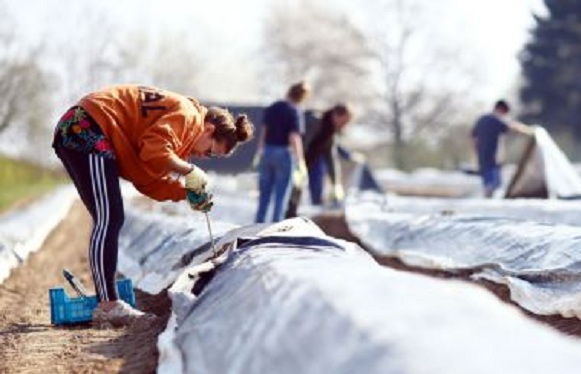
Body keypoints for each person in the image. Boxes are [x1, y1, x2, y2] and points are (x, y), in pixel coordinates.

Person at [51, 84, 254, 326]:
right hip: (88, 127)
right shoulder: (187, 115)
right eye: (209, 151)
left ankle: (108, 302)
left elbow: (148, 180)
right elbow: (154, 152)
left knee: (109, 217)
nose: (202, 157)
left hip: (85, 129)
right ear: (209, 129)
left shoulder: (185, 133)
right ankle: (108, 305)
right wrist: (190, 170)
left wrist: (186, 193)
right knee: (110, 218)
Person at [286, 102, 358, 217]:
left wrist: (336, 183)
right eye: (344, 121)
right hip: (294, 161)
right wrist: (298, 163)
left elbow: (330, 157)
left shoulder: (330, 132)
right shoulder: (315, 121)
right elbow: (301, 142)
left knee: (296, 194)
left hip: (305, 164)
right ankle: (279, 219)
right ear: (336, 115)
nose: (344, 125)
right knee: (289, 193)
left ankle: (289, 216)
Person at [253, 81, 310, 222]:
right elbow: (294, 137)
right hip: (284, 154)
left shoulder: (272, 108)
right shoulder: (295, 111)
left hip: (267, 151)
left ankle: (257, 225)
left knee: (264, 195)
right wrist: (301, 161)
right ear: (302, 97)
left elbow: (264, 132)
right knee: (281, 195)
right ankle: (275, 227)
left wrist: (259, 152)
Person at [471, 100, 533, 198]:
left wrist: (476, 152)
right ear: (501, 109)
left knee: (489, 182)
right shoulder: (495, 120)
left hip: (482, 156)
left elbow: (474, 138)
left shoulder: (481, 120)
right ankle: (488, 201)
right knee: (494, 183)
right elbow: (512, 127)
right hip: (492, 157)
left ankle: (487, 199)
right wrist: (529, 131)